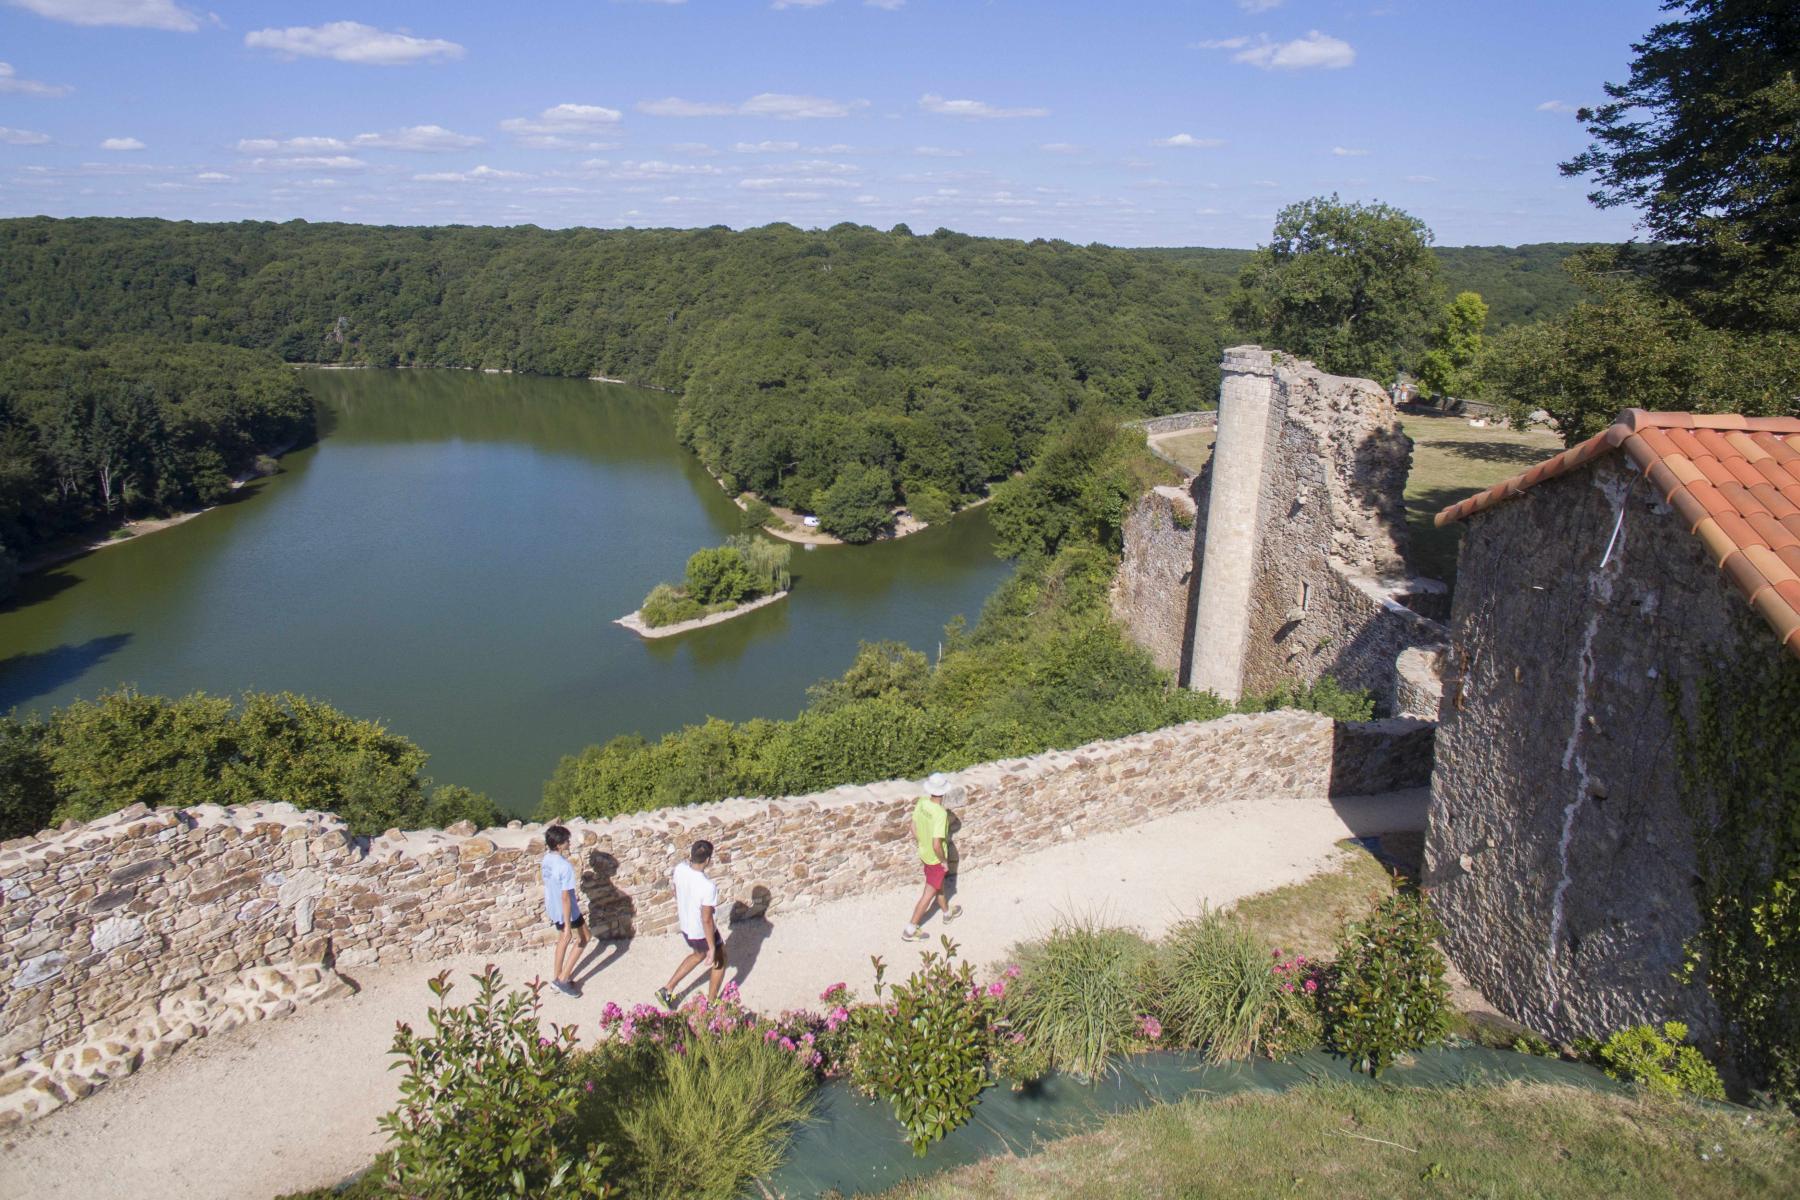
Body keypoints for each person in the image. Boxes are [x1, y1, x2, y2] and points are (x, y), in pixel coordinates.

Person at [657, 839, 726, 1008]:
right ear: (708, 860)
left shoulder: (680, 869)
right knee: (720, 959)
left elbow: (675, 891)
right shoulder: (707, 886)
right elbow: (707, 919)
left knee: (697, 954)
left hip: (686, 926)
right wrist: (712, 947)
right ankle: (711, 1003)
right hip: (700, 930)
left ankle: (667, 990)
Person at [902, 772, 961, 941]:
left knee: (938, 886)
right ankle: (910, 929)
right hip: (935, 859)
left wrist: (922, 843)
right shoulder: (940, 814)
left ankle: (947, 913)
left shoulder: (921, 803)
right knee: (928, 894)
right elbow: (937, 844)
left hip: (924, 854)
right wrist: (943, 862)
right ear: (943, 792)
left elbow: (912, 827)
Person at [541, 825, 588, 996]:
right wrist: (568, 924)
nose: (569, 842)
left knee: (562, 939)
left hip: (553, 908)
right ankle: (563, 979)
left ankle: (557, 977)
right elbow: (566, 897)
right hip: (567, 910)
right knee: (584, 938)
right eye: (566, 840)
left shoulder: (546, 860)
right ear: (559, 845)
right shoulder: (565, 866)